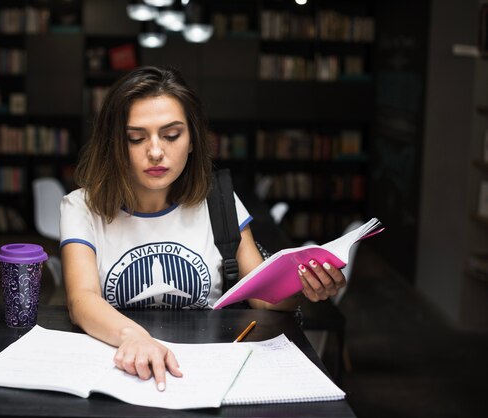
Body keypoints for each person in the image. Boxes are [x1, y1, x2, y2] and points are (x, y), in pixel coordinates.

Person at [59, 66, 346, 392]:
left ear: (193, 139)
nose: (155, 151)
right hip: (119, 366)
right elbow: (81, 299)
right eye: (136, 138)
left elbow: (264, 301)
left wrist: (305, 287)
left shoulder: (219, 201)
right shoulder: (82, 206)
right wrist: (135, 337)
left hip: (206, 371)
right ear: (114, 144)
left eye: (171, 135)